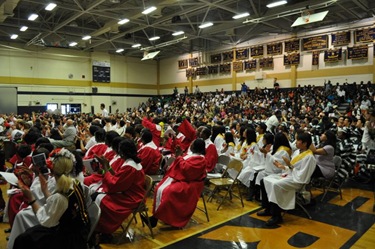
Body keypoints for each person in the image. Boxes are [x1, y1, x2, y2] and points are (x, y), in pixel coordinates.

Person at [12, 149, 90, 249]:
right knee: (29, 234)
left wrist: (31, 198)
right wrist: (45, 191)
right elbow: (58, 206)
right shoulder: (75, 183)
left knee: (24, 239)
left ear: (52, 172)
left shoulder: (61, 196)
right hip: (79, 230)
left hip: (69, 240)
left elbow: (45, 221)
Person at [146, 139, 207, 228]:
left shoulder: (201, 159)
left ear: (195, 147)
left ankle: (158, 219)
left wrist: (179, 157)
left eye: (192, 144)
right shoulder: (190, 155)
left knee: (169, 192)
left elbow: (187, 170)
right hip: (182, 179)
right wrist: (180, 155)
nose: (190, 145)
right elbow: (182, 163)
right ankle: (158, 217)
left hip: (191, 183)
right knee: (159, 187)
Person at [258, 132, 316, 226]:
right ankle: (267, 208)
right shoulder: (297, 152)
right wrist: (283, 167)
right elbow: (293, 168)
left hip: (298, 181)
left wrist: (288, 166)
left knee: (275, 185)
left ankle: (276, 216)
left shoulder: (309, 157)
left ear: (305, 143)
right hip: (290, 175)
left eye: (298, 141)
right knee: (264, 180)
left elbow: (302, 175)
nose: (295, 142)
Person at [92, 138, 145, 240]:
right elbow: (119, 179)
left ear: (122, 153)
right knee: (97, 196)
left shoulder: (130, 166)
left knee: (102, 201)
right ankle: (99, 228)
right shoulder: (132, 163)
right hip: (130, 193)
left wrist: (105, 167)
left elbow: (113, 186)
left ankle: (105, 231)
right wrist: (107, 167)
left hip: (132, 198)